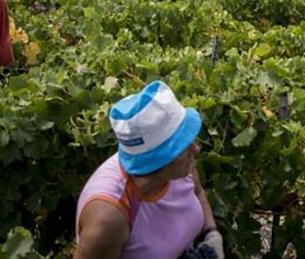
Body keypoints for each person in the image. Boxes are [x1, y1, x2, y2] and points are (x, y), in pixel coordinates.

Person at [75, 81, 224, 259]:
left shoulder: (182, 167)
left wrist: (211, 234)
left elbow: (197, 192)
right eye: (181, 144)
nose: (195, 149)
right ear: (157, 160)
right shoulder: (108, 218)